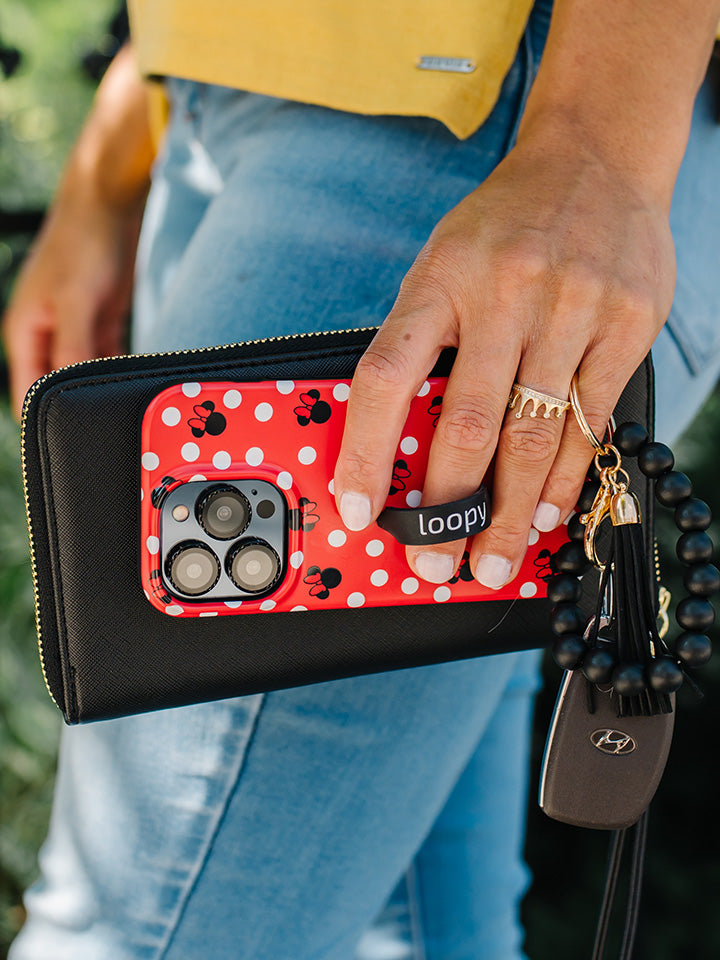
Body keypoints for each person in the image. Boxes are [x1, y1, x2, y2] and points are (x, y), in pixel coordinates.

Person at [3, 2, 720, 957]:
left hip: (492, 121)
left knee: (132, 933)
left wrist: (596, 143)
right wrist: (126, 129)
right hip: (230, 98)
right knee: (418, 934)